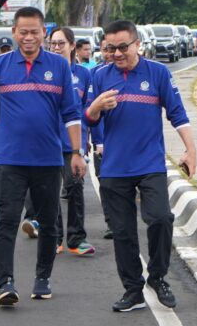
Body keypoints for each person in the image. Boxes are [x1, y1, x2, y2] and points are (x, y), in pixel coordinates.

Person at [85, 20, 197, 312]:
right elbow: (88, 118)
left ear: (137, 44)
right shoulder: (99, 76)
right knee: (122, 233)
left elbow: (178, 113)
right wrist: (96, 107)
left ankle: (158, 277)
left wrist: (191, 149)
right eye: (110, 48)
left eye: (123, 47)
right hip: (113, 167)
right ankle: (133, 290)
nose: (117, 53)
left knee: (160, 218)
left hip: (150, 163)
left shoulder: (157, 73)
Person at [0, 7, 86, 306]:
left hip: (48, 160)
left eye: (34, 31)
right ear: (14, 32)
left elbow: (71, 113)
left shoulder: (59, 66)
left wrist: (76, 152)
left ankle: (42, 278)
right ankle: (6, 283)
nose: (28, 37)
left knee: (49, 223)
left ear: (44, 34)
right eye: (22, 31)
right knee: (7, 221)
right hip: (9, 160)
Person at [48, 27, 95, 256]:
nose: (56, 48)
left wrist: (87, 138)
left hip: (72, 144)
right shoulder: (43, 72)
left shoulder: (84, 75)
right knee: (49, 191)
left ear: (72, 46)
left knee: (75, 187)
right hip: (47, 141)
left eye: (61, 44)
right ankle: (54, 237)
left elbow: (88, 110)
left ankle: (76, 238)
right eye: (53, 44)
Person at [89, 36, 114, 240]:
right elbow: (91, 113)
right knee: (104, 183)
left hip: (124, 143)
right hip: (102, 143)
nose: (110, 54)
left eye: (112, 49)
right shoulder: (95, 75)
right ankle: (111, 222)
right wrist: (98, 141)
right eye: (106, 49)